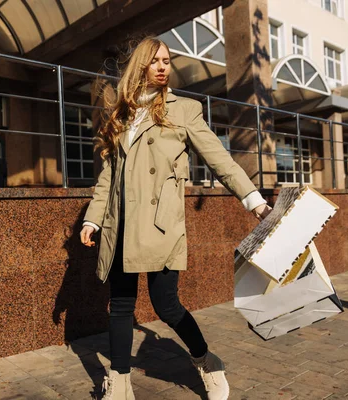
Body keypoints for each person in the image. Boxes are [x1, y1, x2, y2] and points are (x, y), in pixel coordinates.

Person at [79, 37, 272, 400]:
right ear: (140, 66)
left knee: (166, 305)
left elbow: (219, 159)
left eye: (167, 60)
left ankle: (206, 361)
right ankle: (119, 383)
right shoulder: (121, 114)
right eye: (155, 61)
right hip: (121, 224)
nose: (163, 67)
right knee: (120, 305)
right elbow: (109, 175)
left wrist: (254, 201)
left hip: (159, 224)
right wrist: (93, 220)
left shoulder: (183, 110)